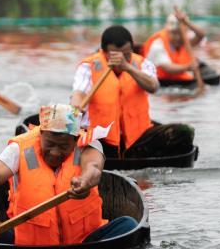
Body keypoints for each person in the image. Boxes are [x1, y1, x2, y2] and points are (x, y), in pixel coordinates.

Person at [0, 104, 138, 245]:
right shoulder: (19, 148)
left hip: (83, 243)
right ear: (40, 134)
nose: (56, 152)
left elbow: (94, 168)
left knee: (128, 225)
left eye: (64, 146)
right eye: (50, 144)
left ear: (75, 139)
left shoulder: (88, 144)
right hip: (25, 245)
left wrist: (84, 181)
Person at [70, 25, 194, 159]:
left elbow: (154, 87)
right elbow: (79, 92)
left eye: (127, 54)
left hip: (137, 139)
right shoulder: (89, 66)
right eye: (116, 56)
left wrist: (128, 67)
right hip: (101, 141)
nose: (122, 59)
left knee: (184, 132)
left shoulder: (142, 64)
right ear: (104, 52)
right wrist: (76, 105)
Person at [142, 7, 206, 83]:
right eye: (174, 33)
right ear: (168, 32)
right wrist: (187, 67)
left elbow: (201, 35)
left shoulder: (185, 39)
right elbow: (168, 68)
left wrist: (186, 22)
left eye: (180, 34)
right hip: (161, 82)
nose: (178, 37)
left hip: (180, 80)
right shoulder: (158, 45)